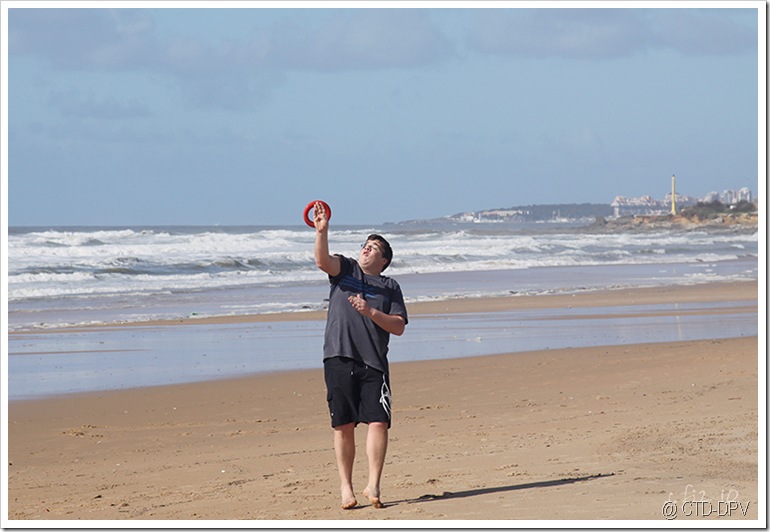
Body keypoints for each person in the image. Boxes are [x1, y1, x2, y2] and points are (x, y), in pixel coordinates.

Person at [312, 201, 408, 510]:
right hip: (338, 356)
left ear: (384, 260)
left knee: (378, 422)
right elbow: (322, 260)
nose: (366, 250)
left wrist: (370, 311)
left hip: (374, 362)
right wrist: (322, 231)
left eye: (374, 248)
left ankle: (374, 485)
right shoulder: (346, 269)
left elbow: (398, 327)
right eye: (365, 245)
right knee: (343, 425)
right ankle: (346, 488)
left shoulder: (390, 286)